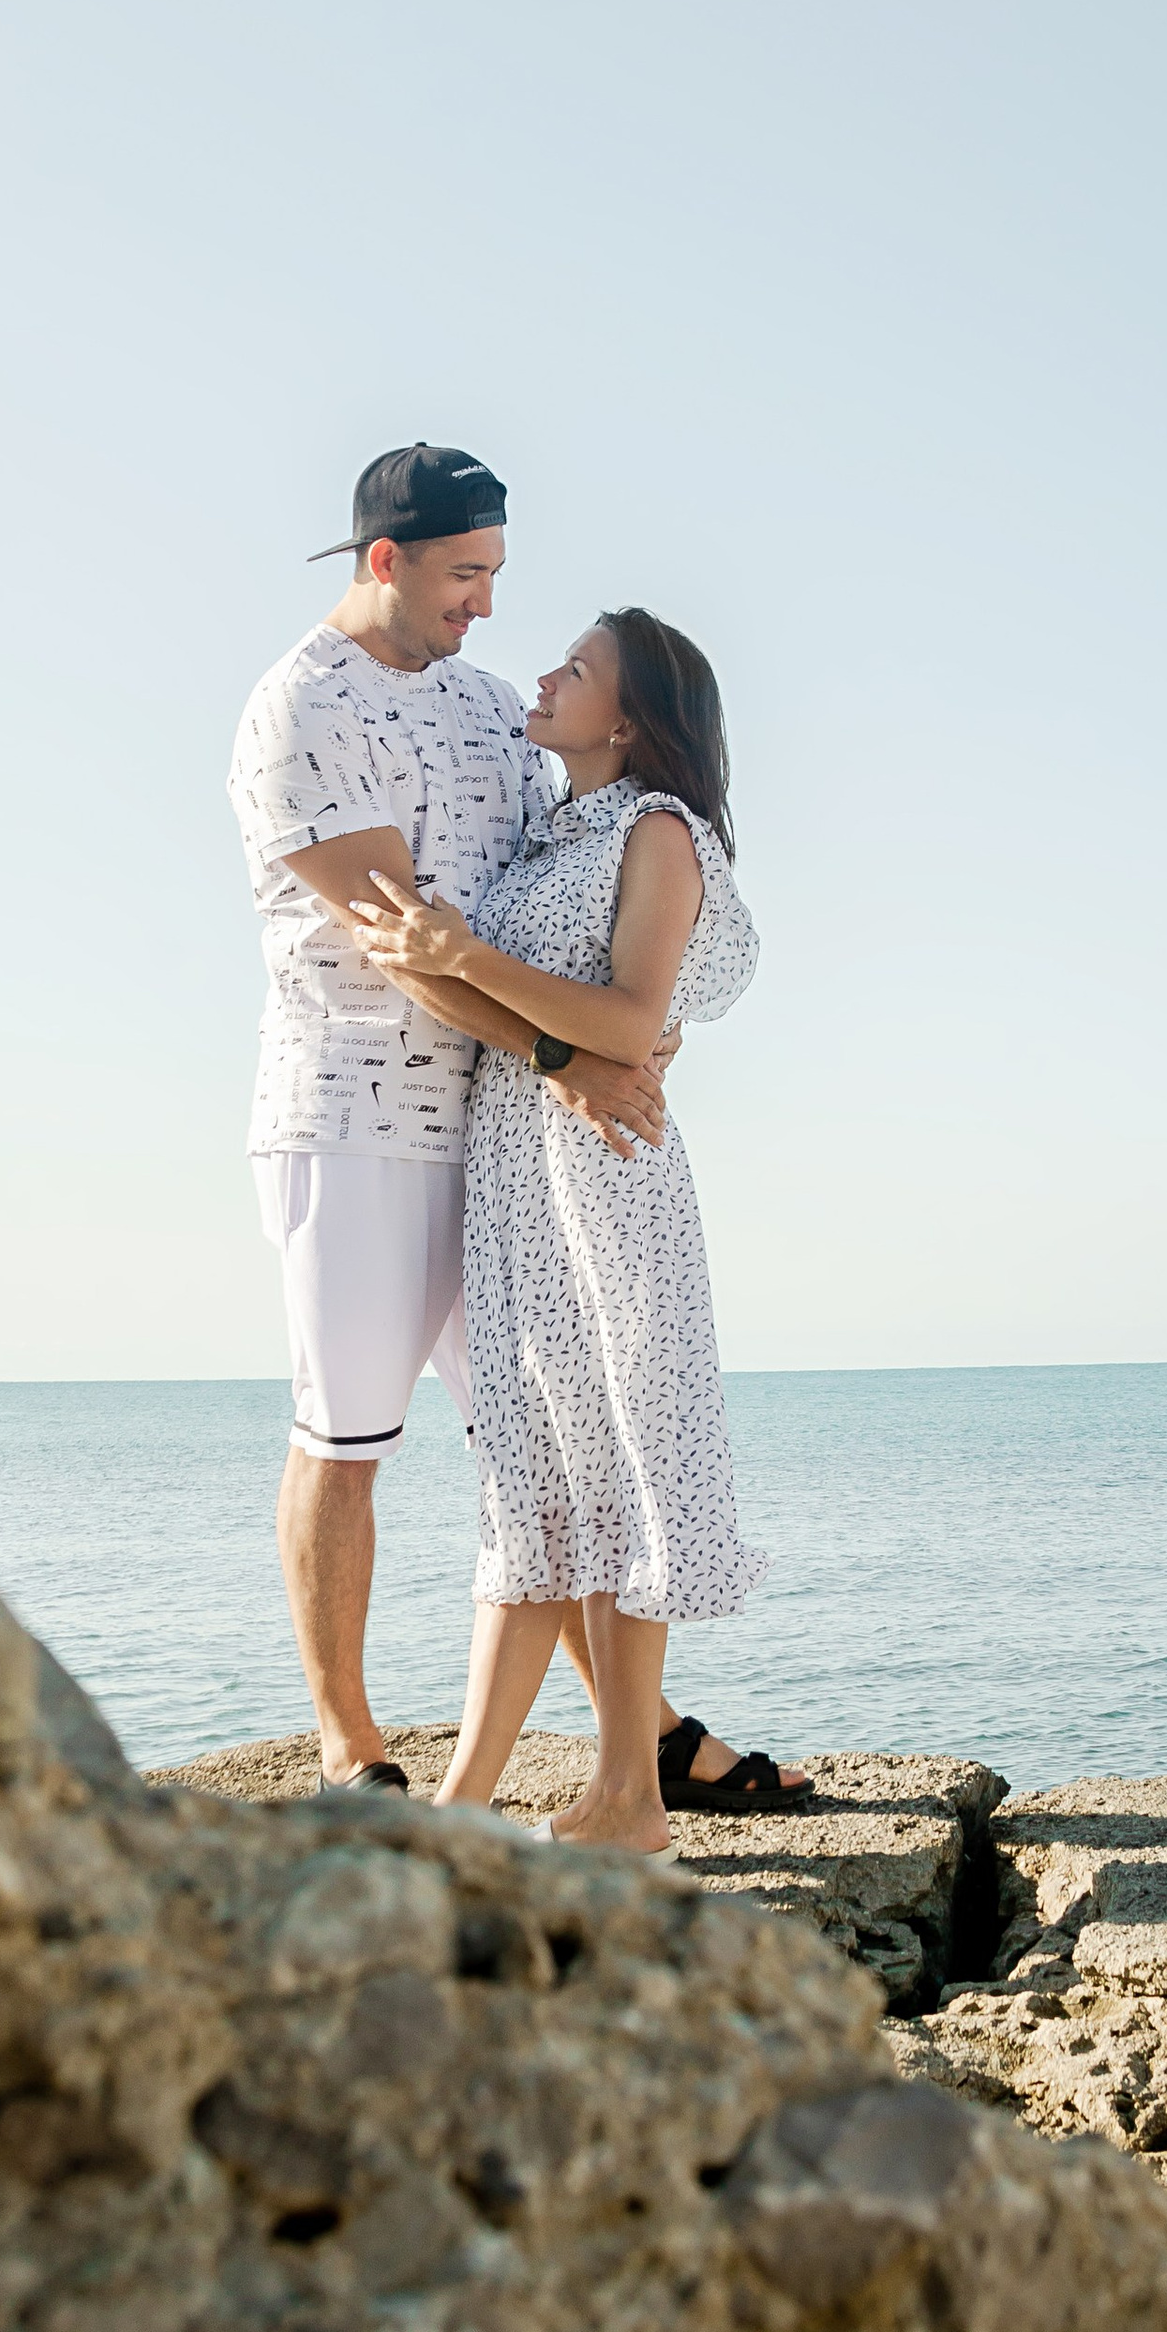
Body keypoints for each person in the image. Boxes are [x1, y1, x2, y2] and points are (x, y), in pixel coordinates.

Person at [228, 450, 807, 1809]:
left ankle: (639, 1743)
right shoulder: (300, 712)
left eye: (495, 573)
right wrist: (568, 1051)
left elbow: (587, 895)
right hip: (357, 1111)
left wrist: (631, 1033)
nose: (486, 605)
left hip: (511, 1148)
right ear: (388, 562)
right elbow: (401, 948)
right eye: (464, 575)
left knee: (560, 1456)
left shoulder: (498, 714)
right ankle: (353, 1743)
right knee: (346, 1433)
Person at [344, 607, 769, 1856]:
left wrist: (465, 953)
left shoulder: (656, 832)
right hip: (514, 1173)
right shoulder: (550, 831)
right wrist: (458, 962)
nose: (545, 674)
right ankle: (480, 1808)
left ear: (627, 720)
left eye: (575, 670)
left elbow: (632, 1025)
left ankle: (629, 1799)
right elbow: (505, 992)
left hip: (607, 1177)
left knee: (623, 1472)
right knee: (538, 1486)